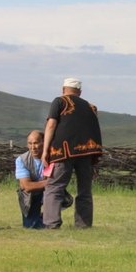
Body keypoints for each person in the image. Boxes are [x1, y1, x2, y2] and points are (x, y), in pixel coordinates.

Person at [41, 78, 103, 229]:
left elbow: (51, 125)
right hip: (87, 152)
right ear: (80, 92)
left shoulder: (60, 101)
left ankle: (52, 224)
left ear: (64, 89)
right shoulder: (90, 106)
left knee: (54, 187)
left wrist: (45, 150)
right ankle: (83, 226)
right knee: (85, 190)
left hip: (63, 151)